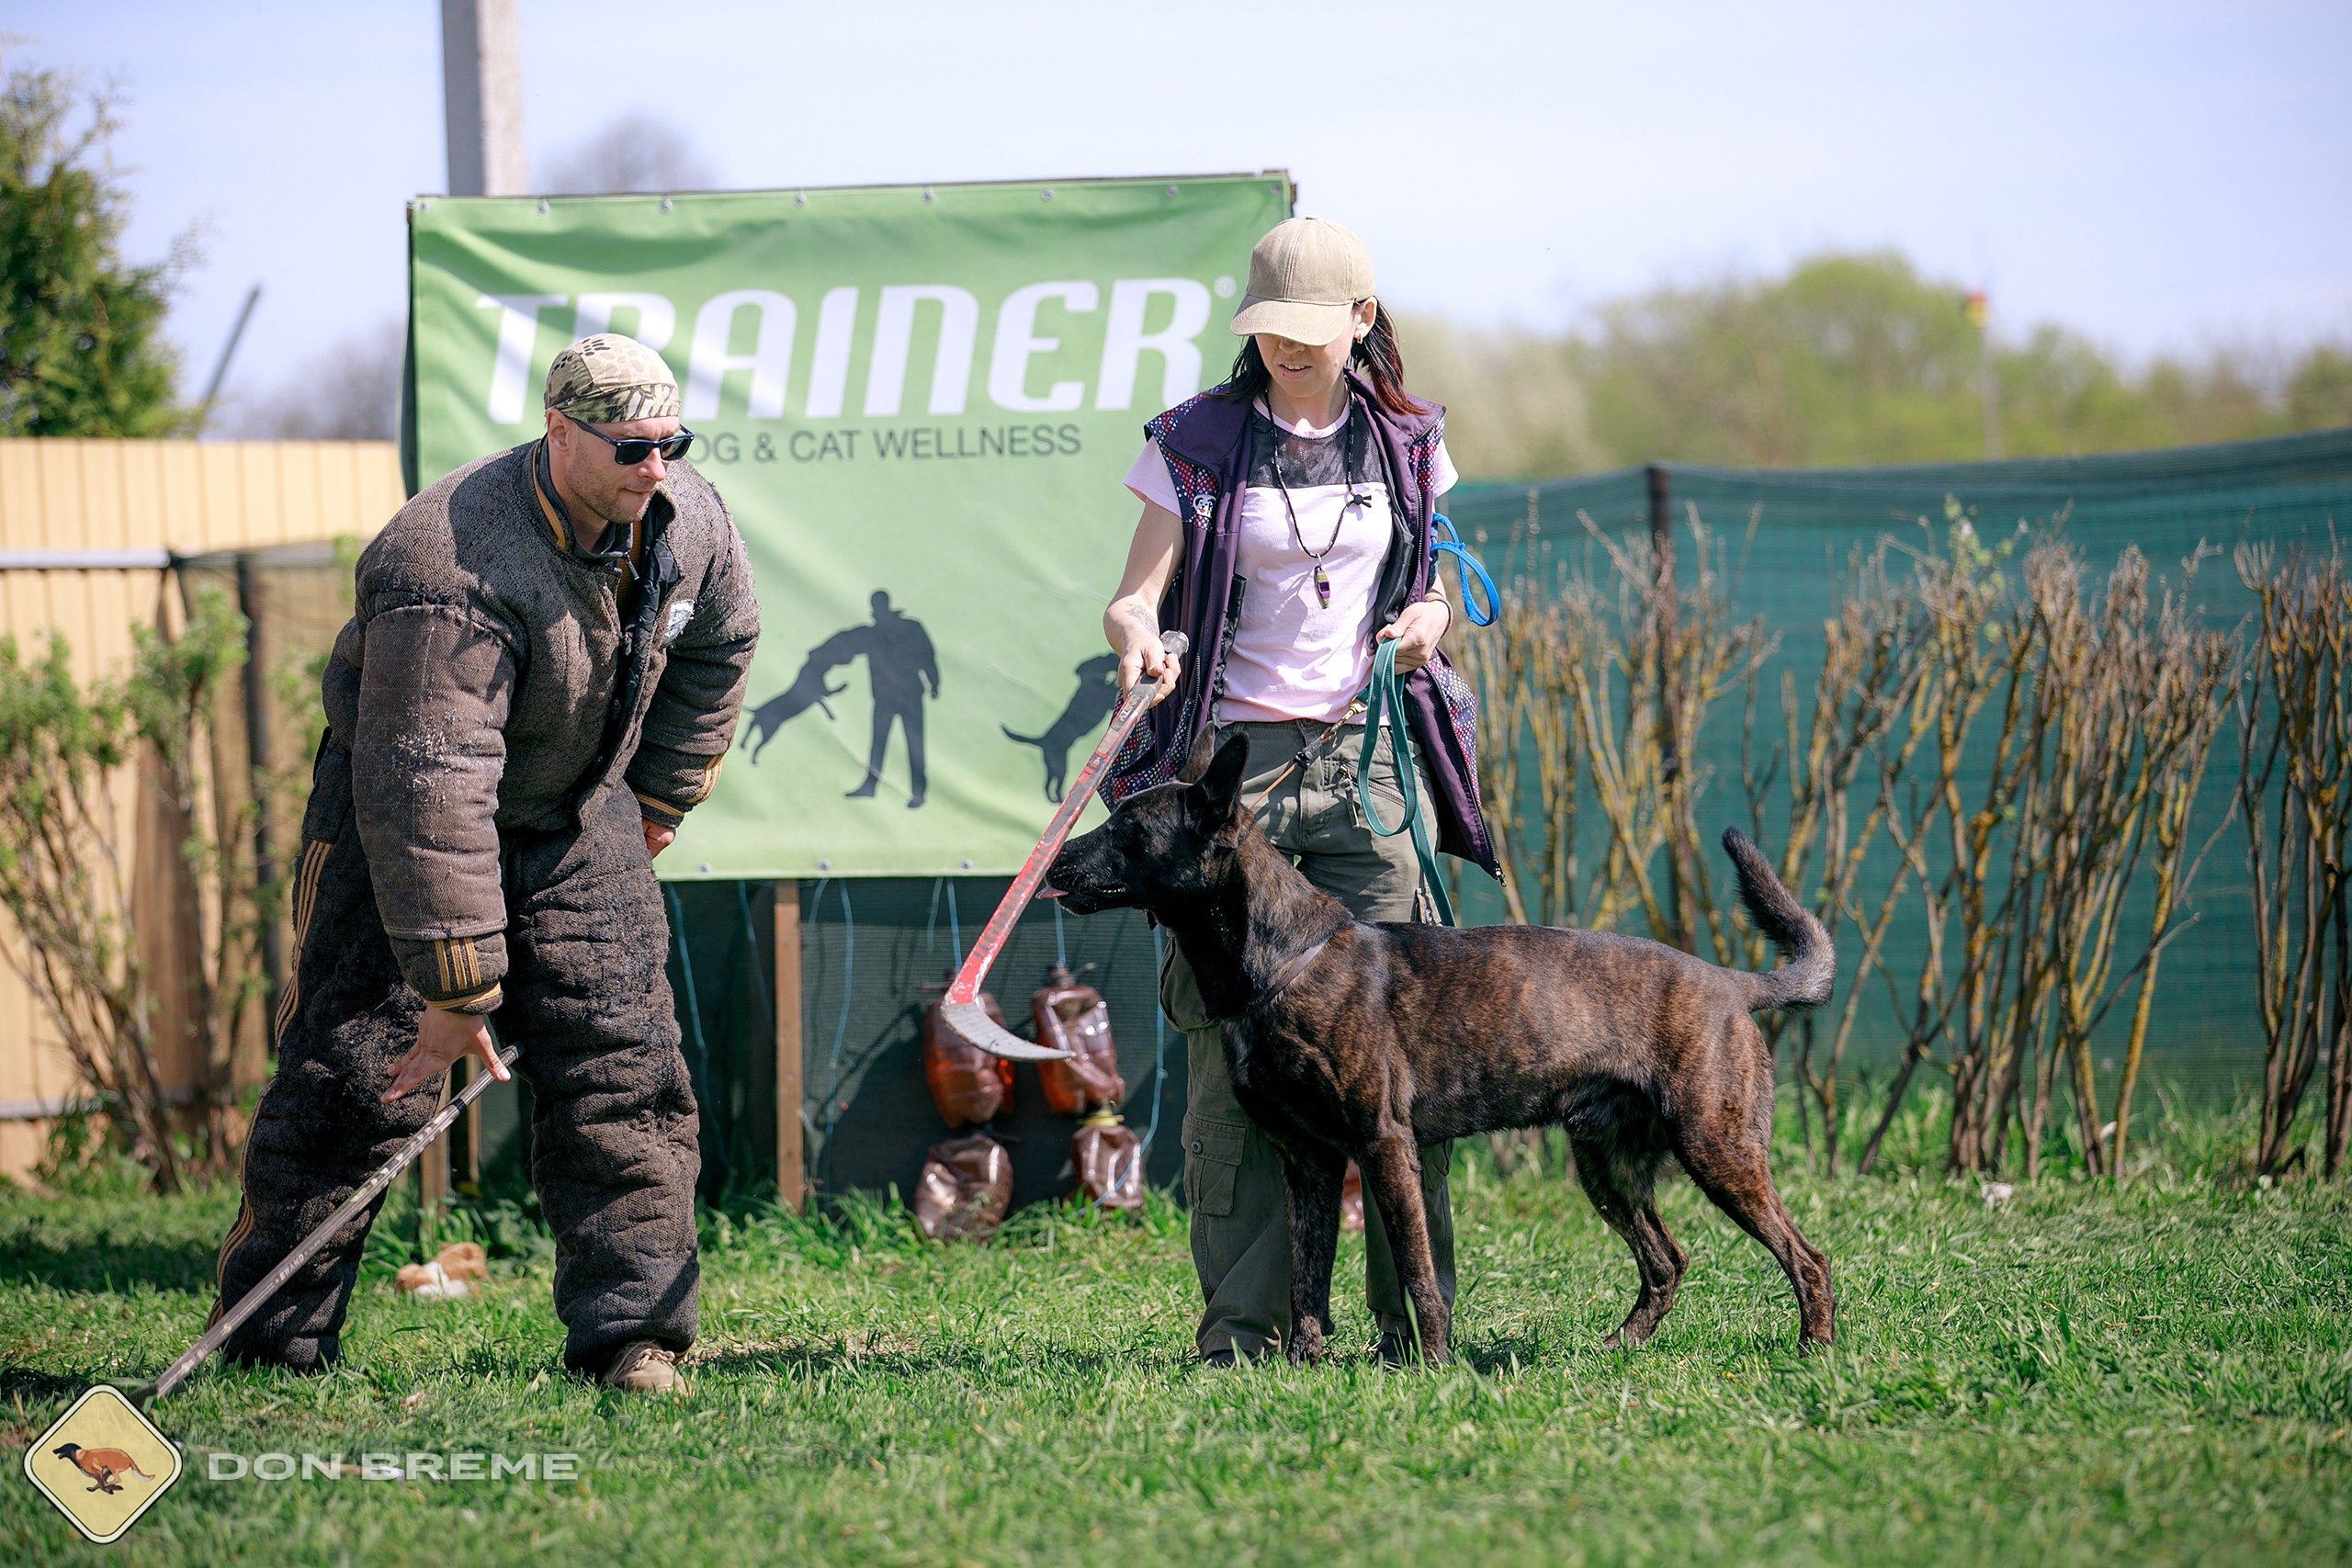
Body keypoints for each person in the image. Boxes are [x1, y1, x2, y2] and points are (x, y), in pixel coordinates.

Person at [209, 334, 761, 1393]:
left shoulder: (690, 520)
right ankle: (274, 1342)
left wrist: (659, 796)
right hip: (395, 818)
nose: (657, 469)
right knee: (358, 1079)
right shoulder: (443, 564)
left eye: (673, 444)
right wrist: (456, 992)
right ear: (559, 432)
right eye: (632, 449)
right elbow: (434, 784)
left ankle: (633, 1336)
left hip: (577, 808)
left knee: (627, 1068)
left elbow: (721, 642)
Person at [1099, 216, 1501, 1365]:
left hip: (1370, 763)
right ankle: (1243, 1332)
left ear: (1361, 319)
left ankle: (1412, 1328)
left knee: (1403, 1055)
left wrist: (1429, 620)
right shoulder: (1194, 439)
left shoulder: (1410, 438)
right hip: (1235, 774)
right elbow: (1133, 596)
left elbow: (1429, 583)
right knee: (1235, 1051)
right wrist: (1138, 634)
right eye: (1269, 326)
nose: (1287, 346)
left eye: (1311, 328)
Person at [842, 589, 940, 807]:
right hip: (886, 697)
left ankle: (918, 793)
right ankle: (871, 786)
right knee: (880, 742)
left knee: (912, 743)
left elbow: (927, 655)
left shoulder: (908, 628)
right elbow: (847, 649)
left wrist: (934, 682)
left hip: (908, 696)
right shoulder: (874, 633)